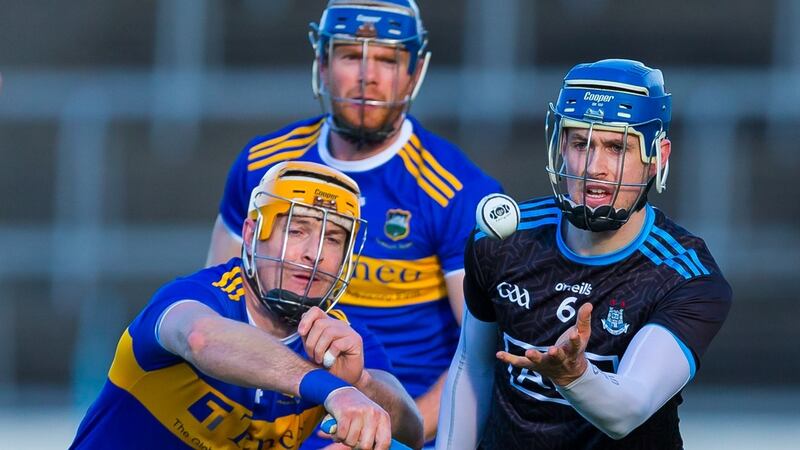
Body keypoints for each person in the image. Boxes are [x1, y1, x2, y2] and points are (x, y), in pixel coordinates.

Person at [206, 1, 502, 446]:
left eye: (387, 59)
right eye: (350, 55)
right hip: (276, 416)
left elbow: (480, 357)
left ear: (413, 71)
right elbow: (219, 298)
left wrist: (395, 430)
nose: (368, 75)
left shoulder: (458, 192)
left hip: (398, 422)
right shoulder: (264, 167)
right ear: (322, 64)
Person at [436, 59, 733, 449]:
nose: (596, 167)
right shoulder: (502, 240)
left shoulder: (686, 276)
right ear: (560, 146)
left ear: (657, 157)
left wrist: (575, 375)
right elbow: (472, 367)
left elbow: (627, 410)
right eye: (581, 143)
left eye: (616, 146)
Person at [70, 161, 423, 450]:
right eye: (297, 230)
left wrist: (361, 383)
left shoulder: (341, 339)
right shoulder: (199, 296)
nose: (314, 253)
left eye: (332, 239)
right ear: (253, 234)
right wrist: (333, 390)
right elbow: (201, 339)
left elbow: (411, 431)